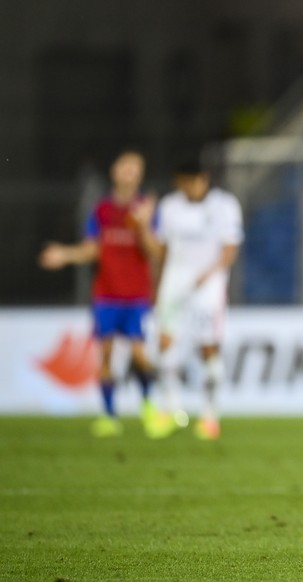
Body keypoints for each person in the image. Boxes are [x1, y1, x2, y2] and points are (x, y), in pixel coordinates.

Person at [39, 149, 166, 438]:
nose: (129, 173)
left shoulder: (147, 209)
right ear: (115, 172)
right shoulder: (101, 211)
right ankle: (109, 416)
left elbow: (156, 251)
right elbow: (92, 248)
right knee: (106, 354)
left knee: (139, 354)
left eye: (135, 169)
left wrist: (144, 225)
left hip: (136, 295)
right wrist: (64, 254)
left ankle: (149, 407)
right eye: (125, 167)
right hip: (106, 294)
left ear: (140, 175)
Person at [154, 159, 244, 440]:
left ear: (205, 179)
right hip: (175, 279)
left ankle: (210, 416)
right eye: (185, 181)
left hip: (209, 283)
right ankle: (171, 409)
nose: (191, 187)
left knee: (208, 346)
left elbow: (230, 249)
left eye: (196, 181)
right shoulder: (169, 206)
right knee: (166, 341)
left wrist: (211, 275)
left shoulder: (225, 205)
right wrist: (158, 285)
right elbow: (162, 248)